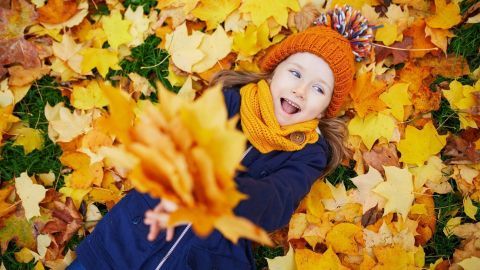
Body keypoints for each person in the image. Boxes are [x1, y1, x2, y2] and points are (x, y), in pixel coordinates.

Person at [69, 5, 372, 270]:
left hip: (207, 257)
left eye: (319, 89)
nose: (301, 90)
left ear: (325, 110)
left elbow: (279, 199)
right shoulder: (229, 101)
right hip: (131, 236)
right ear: (273, 73)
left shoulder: (308, 152)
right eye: (295, 73)